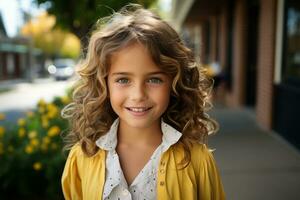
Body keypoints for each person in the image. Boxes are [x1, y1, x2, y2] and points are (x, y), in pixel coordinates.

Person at [61, 4, 225, 200]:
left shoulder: (198, 161)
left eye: (154, 79)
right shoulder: (82, 158)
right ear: (103, 84)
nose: (138, 95)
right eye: (123, 80)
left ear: (174, 83)